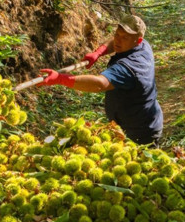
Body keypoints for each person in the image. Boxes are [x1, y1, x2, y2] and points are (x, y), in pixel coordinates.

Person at [38, 13, 164, 146]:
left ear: (138, 40)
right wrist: (99, 52)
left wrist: (60, 79)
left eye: (125, 37)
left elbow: (99, 84)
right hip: (130, 123)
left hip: (140, 131)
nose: (118, 40)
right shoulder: (143, 45)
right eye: (117, 34)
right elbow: (115, 42)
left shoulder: (130, 66)